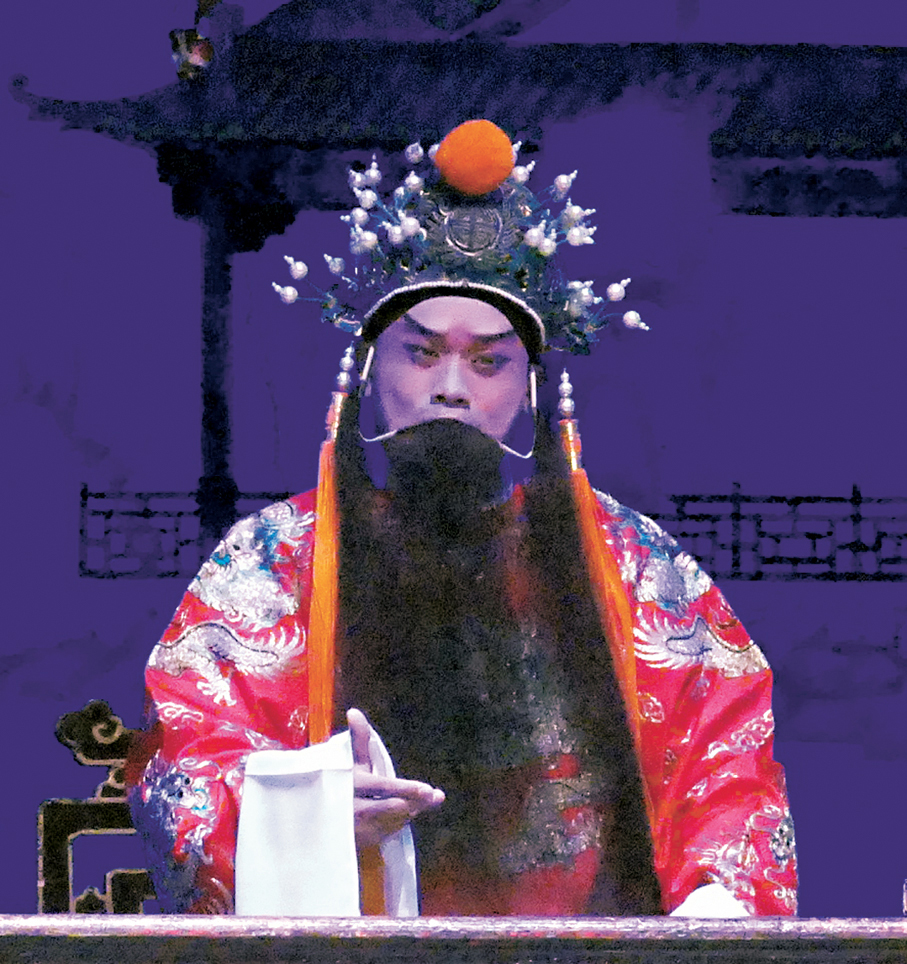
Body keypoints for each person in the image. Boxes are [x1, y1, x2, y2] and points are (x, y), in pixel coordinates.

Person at [127, 120, 798, 917]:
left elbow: (727, 768)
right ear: (367, 372)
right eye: (420, 353)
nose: (450, 387)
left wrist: (713, 907)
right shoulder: (270, 564)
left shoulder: (637, 569)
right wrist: (309, 816)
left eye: (488, 361)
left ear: (531, 391)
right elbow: (186, 760)